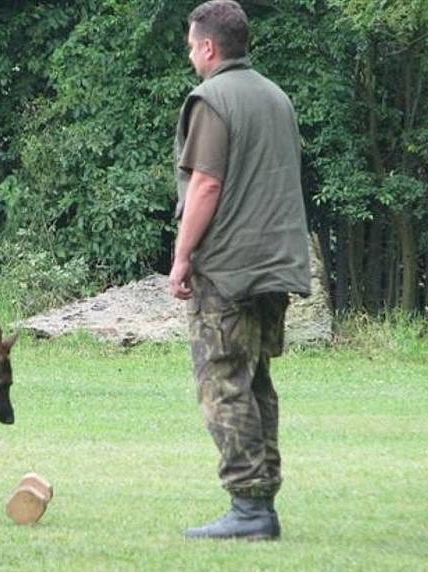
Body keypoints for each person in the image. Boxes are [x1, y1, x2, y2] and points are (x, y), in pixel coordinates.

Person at [169, 0, 311, 540]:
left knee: (223, 382)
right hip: (275, 265)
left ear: (208, 46)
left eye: (190, 45)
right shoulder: (277, 97)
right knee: (256, 383)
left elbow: (206, 184)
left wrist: (182, 257)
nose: (189, 55)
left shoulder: (212, 99)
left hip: (226, 268)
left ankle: (249, 508)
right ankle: (262, 502)